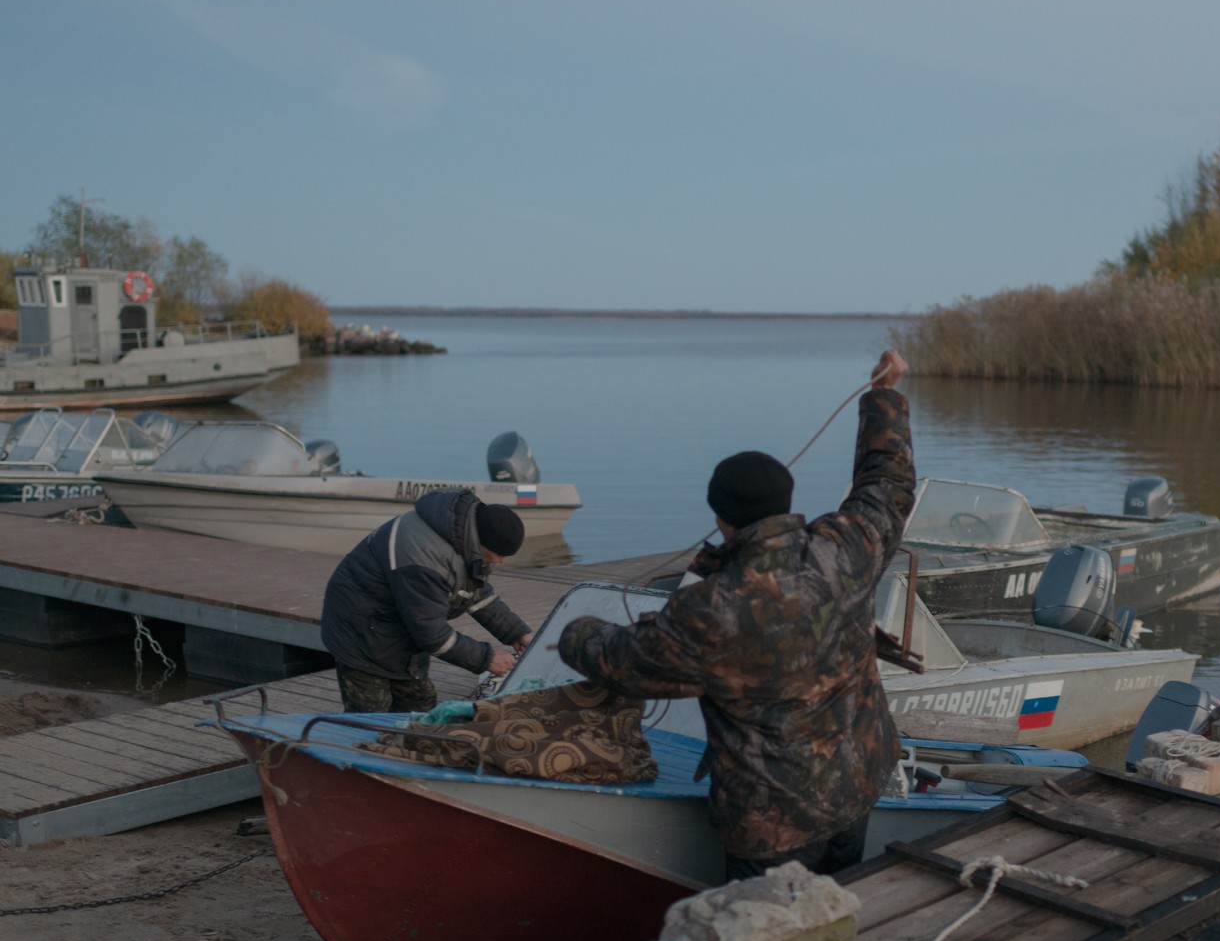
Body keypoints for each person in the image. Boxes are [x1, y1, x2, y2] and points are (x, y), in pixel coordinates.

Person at [558, 349, 915, 880]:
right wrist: (884, 393)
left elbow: (621, 662)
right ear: (788, 503)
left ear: (720, 519)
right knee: (835, 918)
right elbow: (887, 483)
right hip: (856, 788)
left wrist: (575, 631)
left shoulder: (711, 608)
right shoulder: (847, 546)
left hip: (775, 823)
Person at [320, 488, 534, 713]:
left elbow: (476, 593)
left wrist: (517, 633)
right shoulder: (425, 561)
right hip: (360, 629)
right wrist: (486, 659)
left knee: (419, 704)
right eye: (499, 554)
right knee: (371, 715)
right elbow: (431, 633)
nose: (500, 561)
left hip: (399, 625)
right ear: (481, 541)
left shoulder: (465, 535)